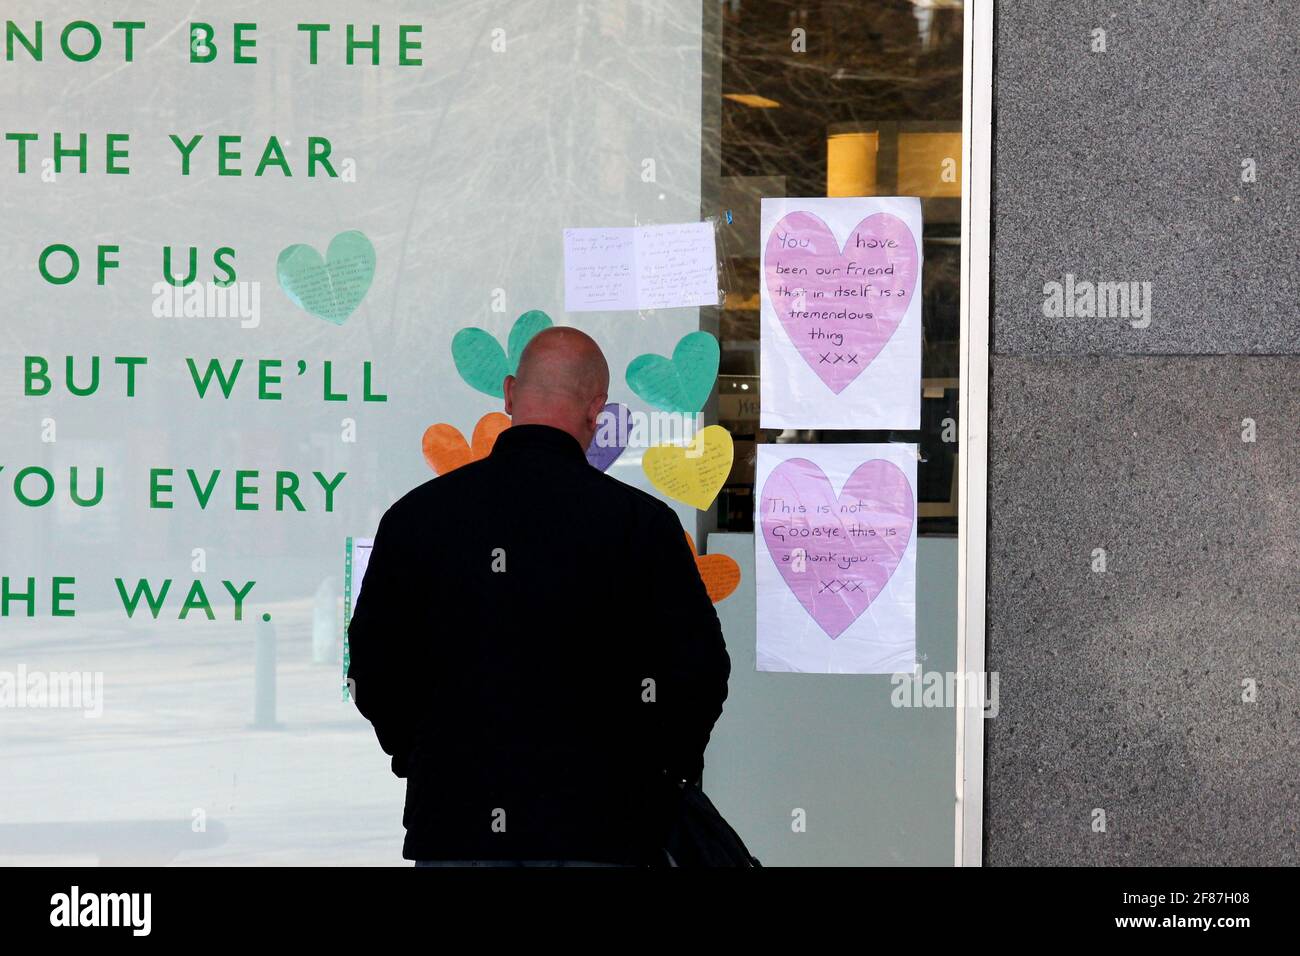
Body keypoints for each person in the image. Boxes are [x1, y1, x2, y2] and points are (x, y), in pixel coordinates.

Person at [347, 326, 731, 866]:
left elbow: (373, 662)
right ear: (597, 409)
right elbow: (699, 672)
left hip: (458, 824)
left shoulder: (418, 519)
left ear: (508, 394)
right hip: (603, 830)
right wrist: (658, 772)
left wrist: (422, 751)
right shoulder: (641, 527)